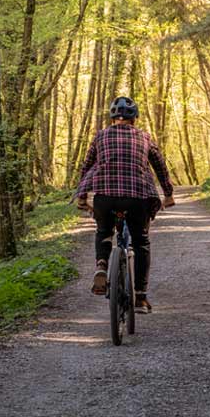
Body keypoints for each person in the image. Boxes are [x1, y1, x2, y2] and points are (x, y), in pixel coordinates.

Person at [75, 96, 174, 314]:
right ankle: (140, 297)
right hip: (137, 198)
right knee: (141, 242)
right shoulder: (144, 137)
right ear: (134, 119)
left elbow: (87, 167)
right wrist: (168, 195)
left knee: (103, 230)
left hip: (105, 197)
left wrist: (82, 197)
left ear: (112, 118)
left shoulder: (100, 137)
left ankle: (101, 264)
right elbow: (160, 167)